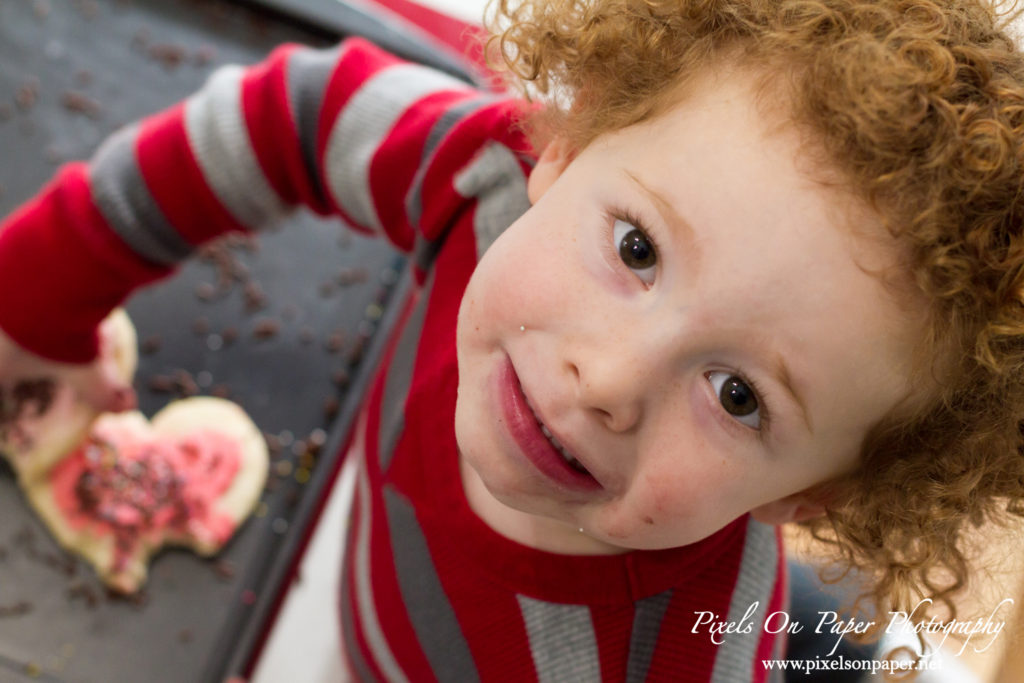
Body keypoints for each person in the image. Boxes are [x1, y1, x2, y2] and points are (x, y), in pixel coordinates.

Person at [2, 0, 1024, 679]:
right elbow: (287, 117)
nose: (608, 378)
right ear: (566, 145)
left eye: (738, 393)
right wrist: (31, 304)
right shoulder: (477, 182)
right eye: (635, 247)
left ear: (814, 495)